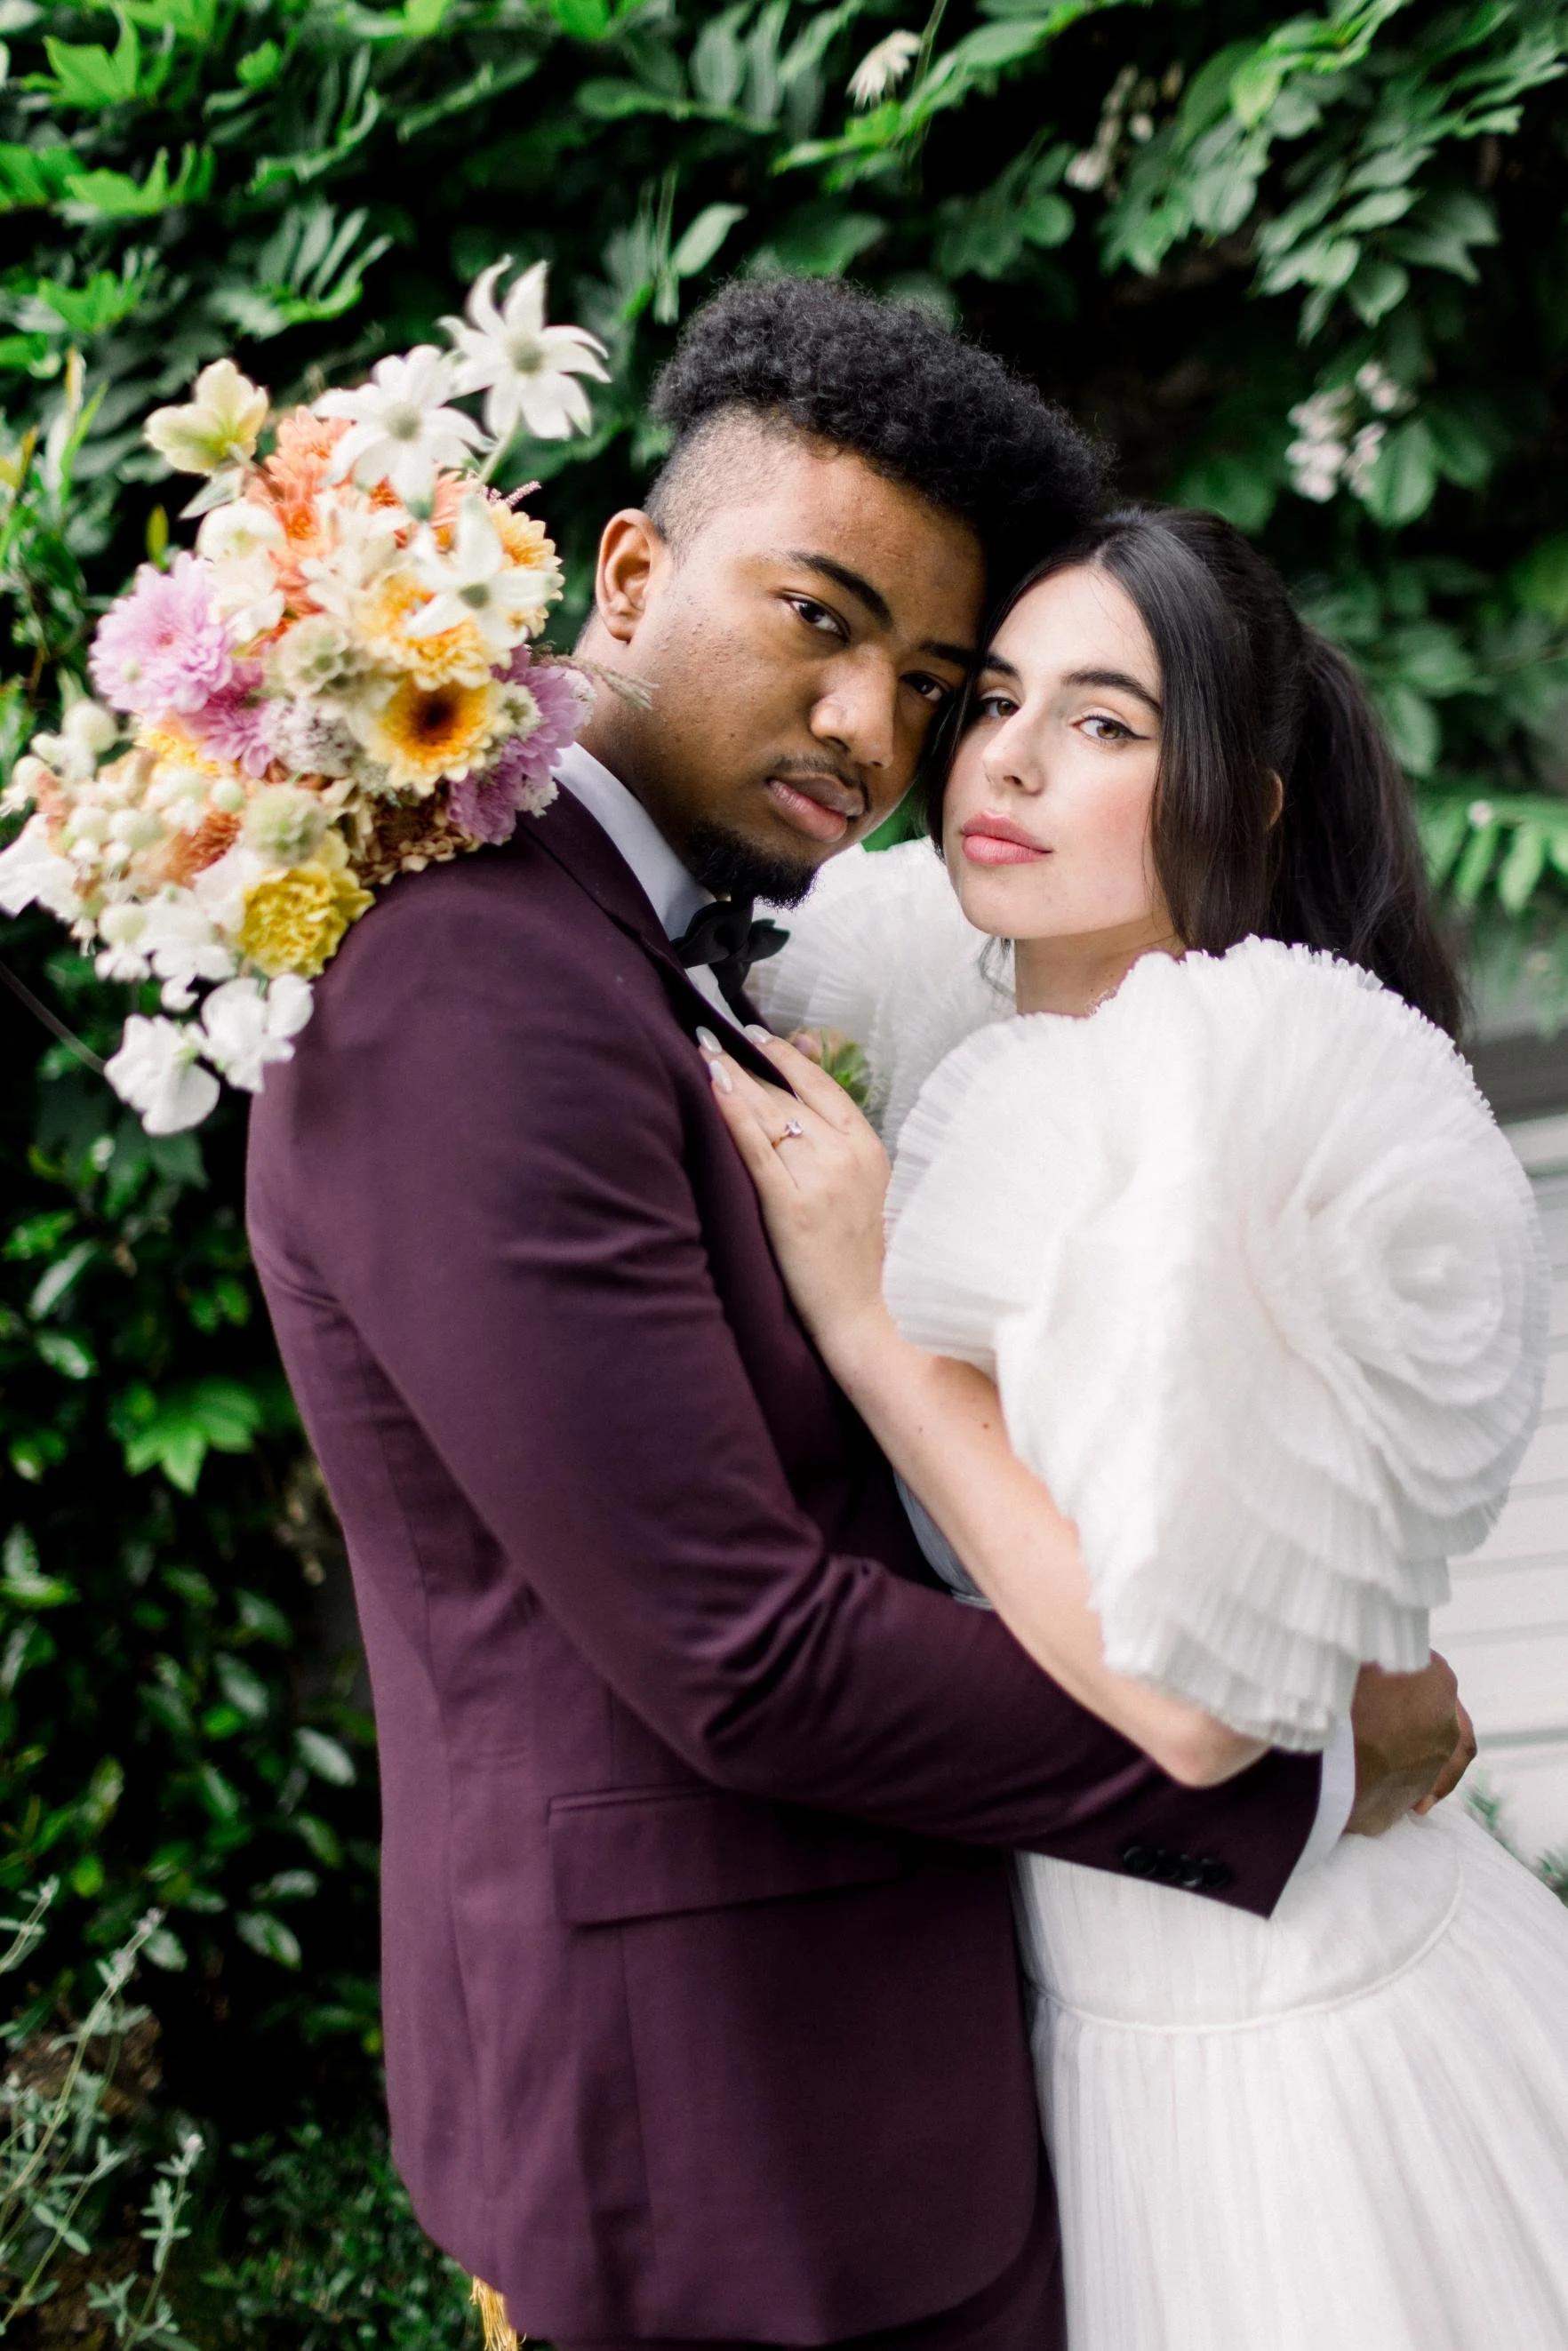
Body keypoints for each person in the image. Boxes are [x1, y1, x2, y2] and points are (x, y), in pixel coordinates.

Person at [246, 286, 1469, 2351]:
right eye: (818, 621)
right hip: (723, 2129)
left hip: (873, 2081)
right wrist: (1293, 1749)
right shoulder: (479, 982)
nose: (872, 734)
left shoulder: (674, 956)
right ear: (629, 571)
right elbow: (743, 1649)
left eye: (922, 678)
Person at [709, 502, 1568, 2350]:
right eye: (997, 696)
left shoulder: (1228, 1104)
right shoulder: (932, 1017)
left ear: (1246, 804)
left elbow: (1186, 1708)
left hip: (1293, 2037)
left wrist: (871, 1324)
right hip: (1096, 2014)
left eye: (1105, 722)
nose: (1008, 755)